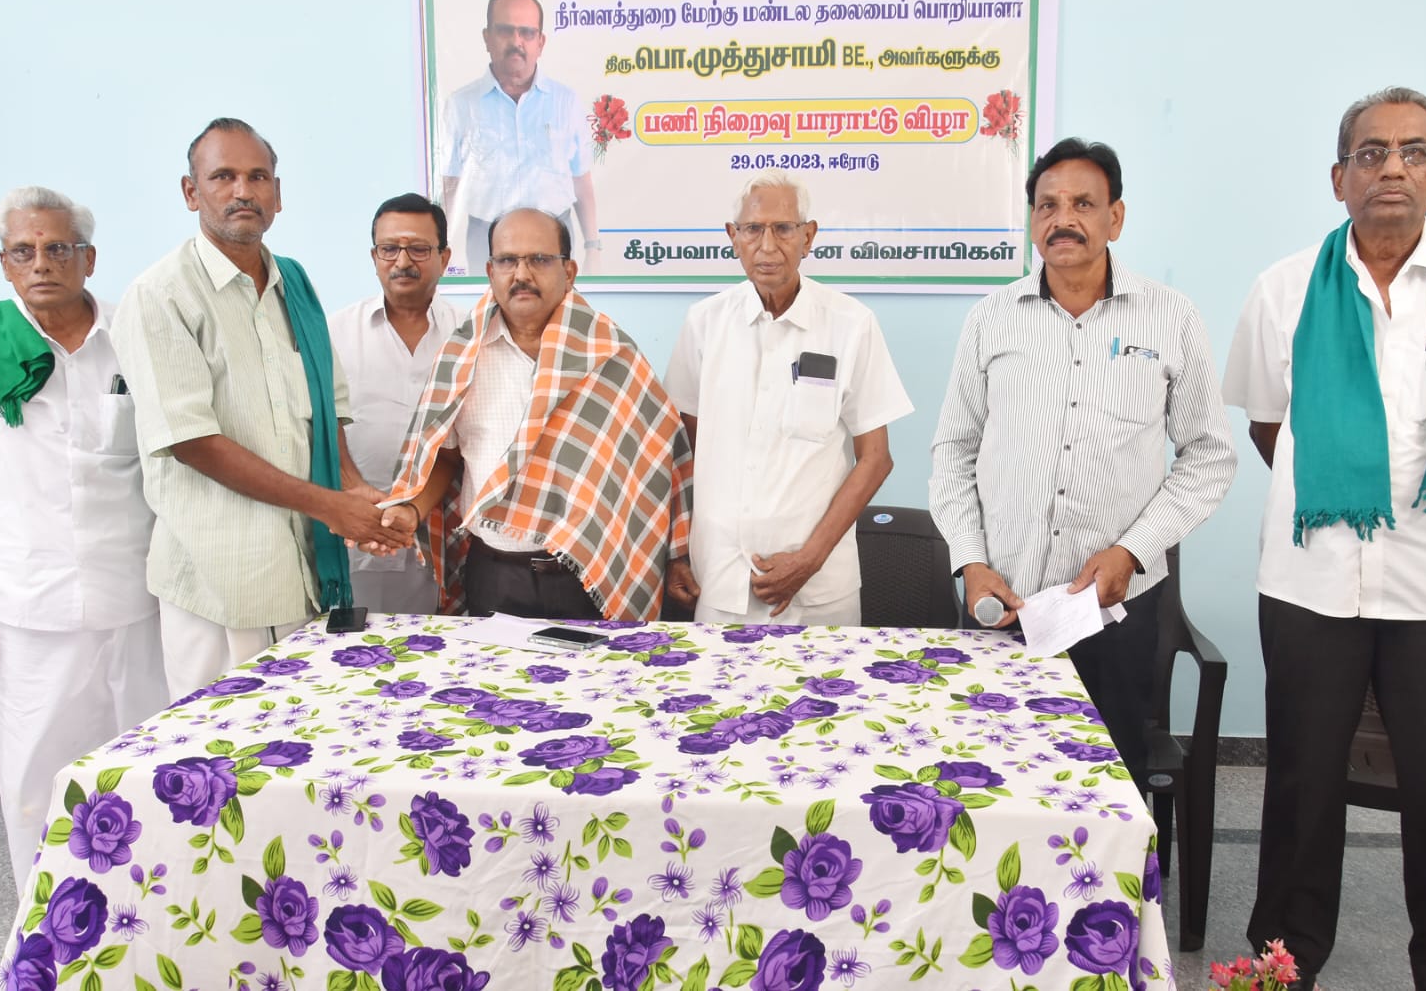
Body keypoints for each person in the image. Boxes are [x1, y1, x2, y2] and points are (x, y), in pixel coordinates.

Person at [1224, 87, 1426, 991]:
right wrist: (1344, 490)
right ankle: (1284, 964)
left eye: (1412, 150)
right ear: (1339, 179)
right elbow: (1270, 427)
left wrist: (1422, 506)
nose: (1391, 167)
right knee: (1300, 785)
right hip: (1311, 581)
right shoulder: (1283, 290)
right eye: (1370, 153)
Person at [929, 137, 1235, 784]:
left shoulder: (1171, 318)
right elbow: (953, 451)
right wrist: (970, 562)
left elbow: (1209, 456)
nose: (1062, 219)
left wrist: (1133, 551)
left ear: (1115, 218)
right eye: (1047, 205)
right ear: (1032, 219)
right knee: (989, 781)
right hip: (1001, 602)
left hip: (1113, 612)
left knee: (1107, 786)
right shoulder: (990, 319)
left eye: (1083, 204)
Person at [112, 118, 409, 696]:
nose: (242, 191)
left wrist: (351, 488)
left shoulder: (293, 282)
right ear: (191, 191)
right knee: (217, 740)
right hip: (221, 579)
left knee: (303, 729)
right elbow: (192, 441)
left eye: (257, 177)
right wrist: (330, 506)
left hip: (303, 571)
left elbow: (323, 407)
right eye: (223, 176)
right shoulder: (160, 295)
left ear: (278, 193)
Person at [0, 187, 168, 892]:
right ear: (4, 264)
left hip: (136, 594)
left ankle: (140, 911)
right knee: (37, 774)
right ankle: (47, 915)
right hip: (26, 600)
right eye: (23, 251)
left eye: (57, 248)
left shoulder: (135, 334)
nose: (41, 263)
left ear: (88, 258)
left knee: (141, 763)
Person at [370, 207, 693, 620]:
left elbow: (659, 469)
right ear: (490, 272)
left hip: (589, 578)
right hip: (495, 573)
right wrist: (411, 509)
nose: (521, 274)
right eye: (507, 260)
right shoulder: (462, 357)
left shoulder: (614, 358)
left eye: (539, 259)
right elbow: (446, 458)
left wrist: (678, 555)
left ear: (569, 271)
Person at [664, 171, 912, 625]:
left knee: (829, 676)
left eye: (783, 228)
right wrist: (677, 552)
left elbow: (876, 459)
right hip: (720, 577)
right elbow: (683, 453)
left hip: (819, 588)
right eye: (753, 229)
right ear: (733, 237)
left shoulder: (850, 324)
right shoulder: (704, 323)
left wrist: (808, 560)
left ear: (808, 237)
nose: (767, 245)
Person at [328, 193, 464, 613]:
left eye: (419, 249)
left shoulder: (470, 335)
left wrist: (414, 509)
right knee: (357, 646)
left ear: (444, 258)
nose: (402, 261)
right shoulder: (335, 332)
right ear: (374, 257)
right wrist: (352, 492)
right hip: (355, 536)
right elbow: (316, 422)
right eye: (389, 249)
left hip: (448, 536)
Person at [438, 0, 600, 273]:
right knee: (485, 303)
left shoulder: (565, 102)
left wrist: (592, 246)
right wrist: (440, 247)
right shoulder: (461, 104)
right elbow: (450, 183)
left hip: (554, 238)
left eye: (527, 32)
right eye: (505, 31)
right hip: (486, 240)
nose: (516, 42)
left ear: (541, 42)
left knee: (559, 303)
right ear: (487, 38)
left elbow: (581, 179)